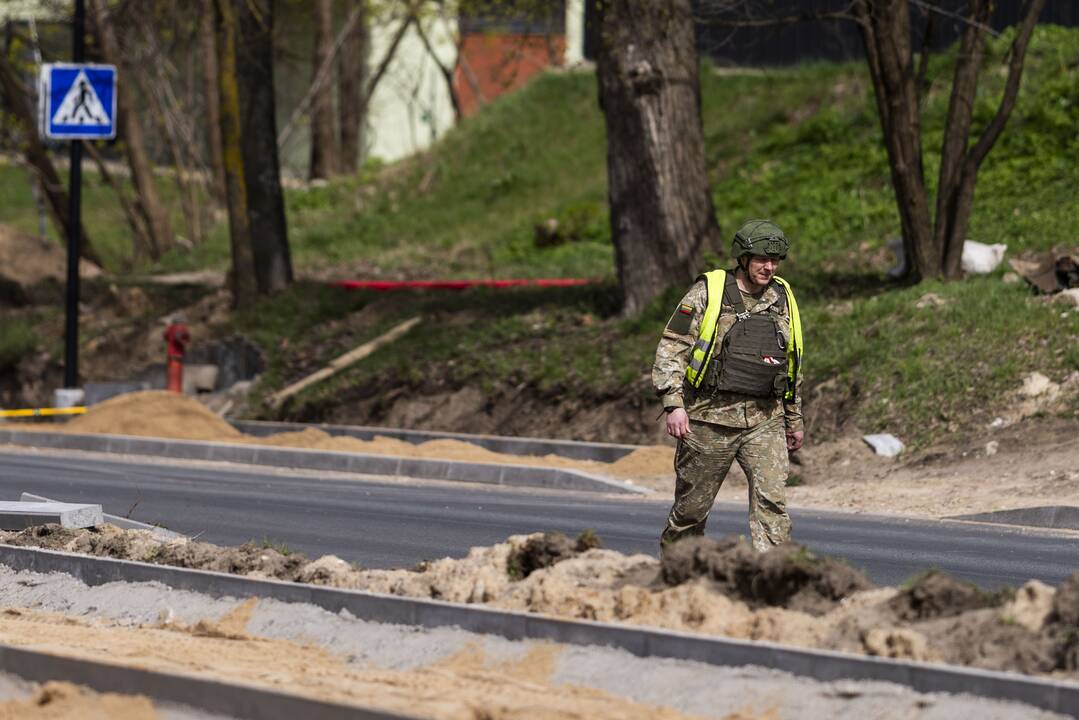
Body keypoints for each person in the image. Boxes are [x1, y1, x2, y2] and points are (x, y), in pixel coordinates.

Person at [652, 219, 804, 552]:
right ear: (744, 258)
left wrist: (793, 418)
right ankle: (679, 573)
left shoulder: (783, 297)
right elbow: (672, 347)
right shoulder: (709, 291)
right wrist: (673, 404)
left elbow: (791, 362)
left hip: (765, 420)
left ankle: (776, 579)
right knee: (691, 511)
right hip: (709, 419)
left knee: (773, 506)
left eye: (775, 260)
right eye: (762, 259)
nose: (769, 267)